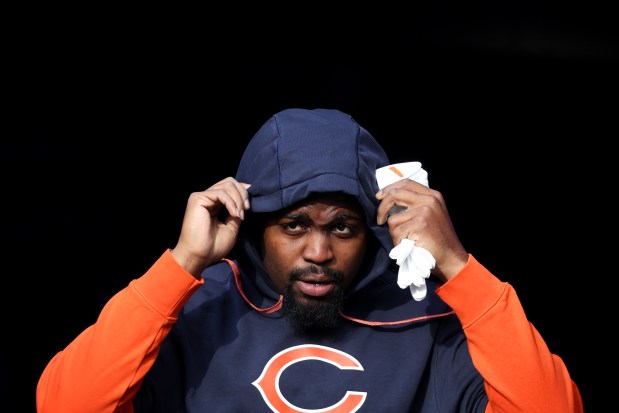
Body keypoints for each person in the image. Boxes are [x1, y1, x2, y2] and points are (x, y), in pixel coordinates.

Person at [36, 108, 583, 413]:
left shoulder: (433, 324)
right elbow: (65, 405)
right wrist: (182, 263)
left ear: (374, 230)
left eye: (342, 228)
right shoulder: (192, 313)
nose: (319, 253)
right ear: (254, 227)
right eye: (293, 226)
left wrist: (460, 268)